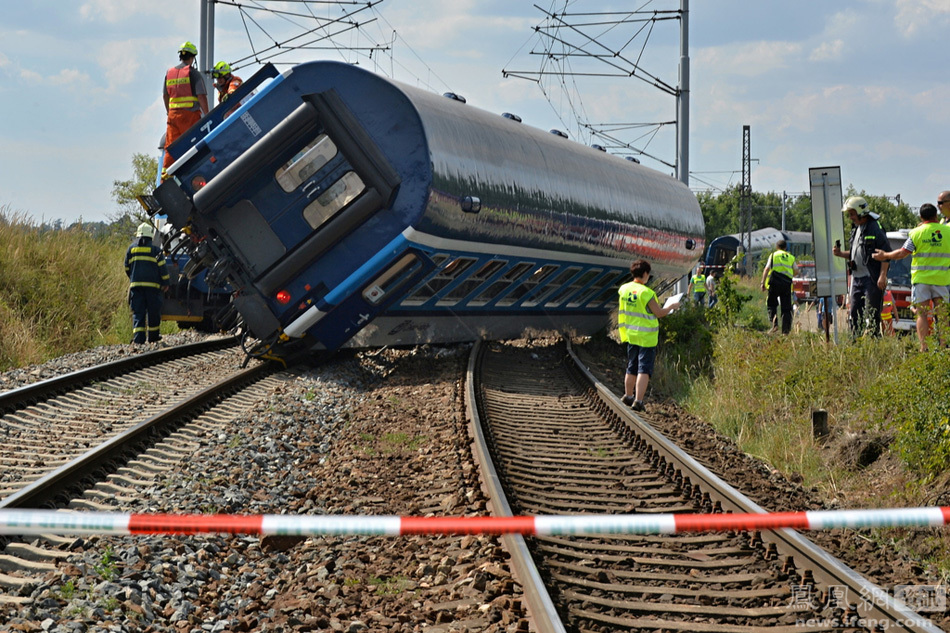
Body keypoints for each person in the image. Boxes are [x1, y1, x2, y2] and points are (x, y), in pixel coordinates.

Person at [872, 203, 950, 351]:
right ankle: (943, 346)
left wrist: (885, 255)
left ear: (921, 217)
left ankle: (924, 347)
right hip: (942, 280)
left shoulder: (916, 233)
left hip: (921, 281)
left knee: (921, 314)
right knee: (943, 314)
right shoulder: (948, 231)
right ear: (936, 215)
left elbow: (902, 253)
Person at [618, 259, 679, 412]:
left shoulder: (624, 289)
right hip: (647, 338)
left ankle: (628, 395)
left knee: (631, 366)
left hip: (631, 334)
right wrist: (672, 306)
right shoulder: (647, 293)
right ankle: (638, 401)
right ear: (645, 274)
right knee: (643, 369)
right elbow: (658, 313)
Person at [833, 196, 890, 336]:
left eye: (852, 214)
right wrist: (841, 254)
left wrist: (882, 276)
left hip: (871, 279)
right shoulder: (856, 228)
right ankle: (856, 344)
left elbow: (886, 253)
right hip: (856, 279)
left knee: (871, 314)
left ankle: (873, 343)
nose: (850, 217)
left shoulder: (875, 228)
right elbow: (855, 253)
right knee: (854, 314)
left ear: (860, 211)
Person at [163, 41, 209, 174]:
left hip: (173, 116)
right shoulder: (193, 74)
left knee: (170, 148)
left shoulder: (169, 73)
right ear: (192, 57)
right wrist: (207, 114)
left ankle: (164, 179)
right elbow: (201, 96)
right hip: (189, 116)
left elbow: (165, 96)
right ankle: (193, 174)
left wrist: (169, 112)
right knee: (192, 146)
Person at [125, 223, 170, 345]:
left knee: (138, 313)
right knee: (153, 312)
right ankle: (153, 338)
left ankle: (139, 339)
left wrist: (134, 279)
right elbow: (163, 269)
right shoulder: (156, 251)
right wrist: (165, 283)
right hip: (153, 289)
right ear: (150, 236)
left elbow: (127, 267)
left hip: (136, 287)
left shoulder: (131, 249)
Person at [760, 239, 796, 334]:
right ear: (785, 248)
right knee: (786, 308)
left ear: (777, 247)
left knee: (771, 304)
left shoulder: (773, 255)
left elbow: (767, 269)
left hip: (774, 283)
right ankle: (785, 331)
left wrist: (762, 283)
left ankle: (774, 325)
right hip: (786, 284)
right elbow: (796, 271)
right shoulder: (791, 257)